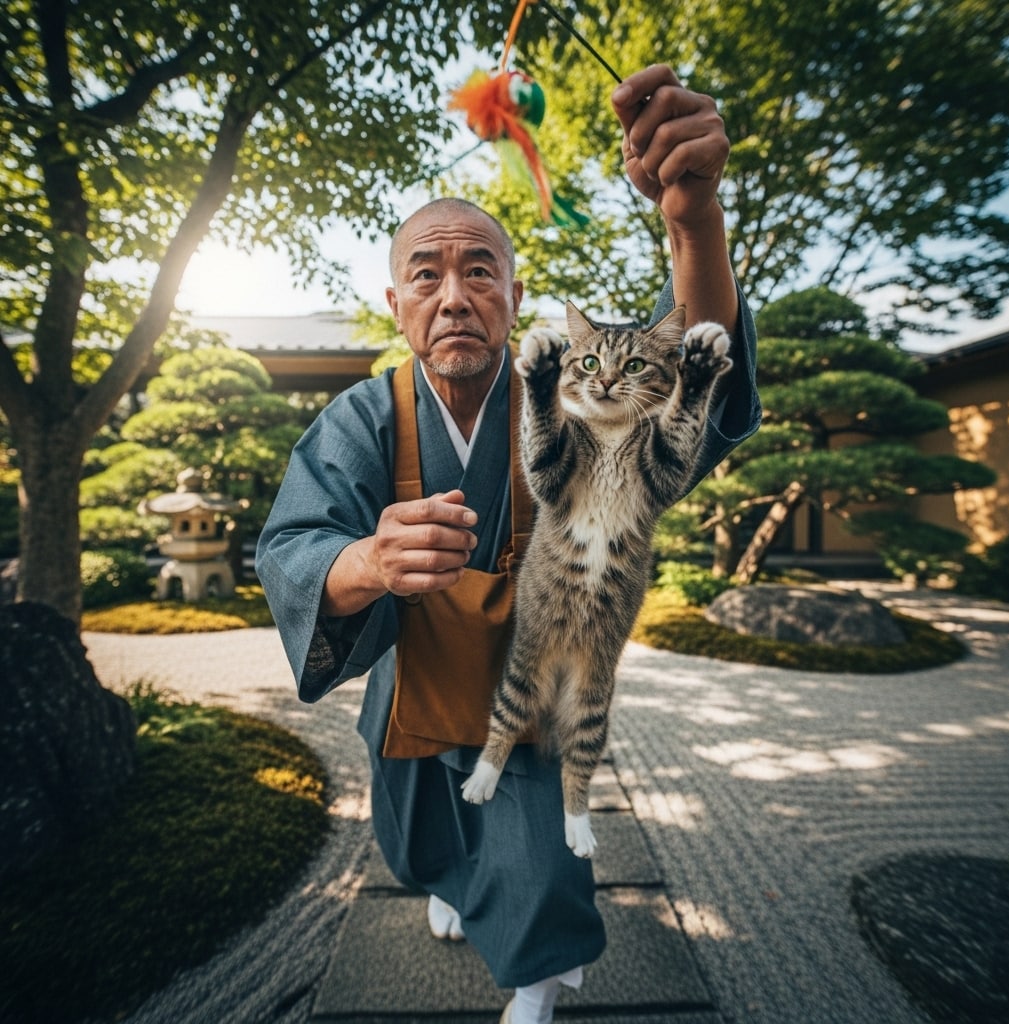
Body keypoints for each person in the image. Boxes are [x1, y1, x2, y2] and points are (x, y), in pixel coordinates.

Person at [256, 64, 761, 1024]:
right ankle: (452, 885)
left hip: (532, 683)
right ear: (399, 303)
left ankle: (534, 995)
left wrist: (693, 222)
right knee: (416, 846)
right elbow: (294, 542)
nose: (454, 295)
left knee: (536, 863)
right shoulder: (364, 418)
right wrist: (363, 561)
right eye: (428, 275)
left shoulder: (572, 396)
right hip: (414, 683)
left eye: (479, 270)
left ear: (515, 296)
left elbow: (687, 379)